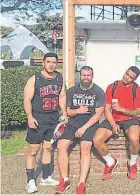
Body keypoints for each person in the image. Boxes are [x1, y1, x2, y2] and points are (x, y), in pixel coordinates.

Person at [55, 66, 105, 194]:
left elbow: (98, 114)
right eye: (84, 75)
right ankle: (65, 180)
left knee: (85, 148)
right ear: (80, 76)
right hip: (73, 123)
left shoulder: (98, 91)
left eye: (88, 75)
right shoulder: (72, 91)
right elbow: (67, 111)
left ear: (92, 76)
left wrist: (84, 128)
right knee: (61, 146)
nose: (86, 78)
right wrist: (77, 111)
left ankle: (82, 183)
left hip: (89, 124)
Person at [23, 52, 67, 194]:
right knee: (33, 150)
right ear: (43, 63)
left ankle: (46, 177)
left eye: (54, 62)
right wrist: (29, 116)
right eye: (48, 61)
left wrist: (64, 113)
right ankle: (30, 181)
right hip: (37, 118)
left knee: (48, 148)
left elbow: (62, 96)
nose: (51, 64)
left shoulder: (59, 78)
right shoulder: (34, 79)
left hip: (53, 118)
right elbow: (27, 99)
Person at [93, 66, 140, 181]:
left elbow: (138, 112)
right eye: (127, 74)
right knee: (97, 140)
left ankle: (132, 163)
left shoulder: (137, 89)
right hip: (114, 118)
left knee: (135, 139)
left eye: (131, 77)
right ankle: (111, 162)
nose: (127, 78)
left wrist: (122, 109)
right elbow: (107, 108)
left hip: (130, 119)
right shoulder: (113, 86)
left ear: (134, 79)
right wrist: (113, 124)